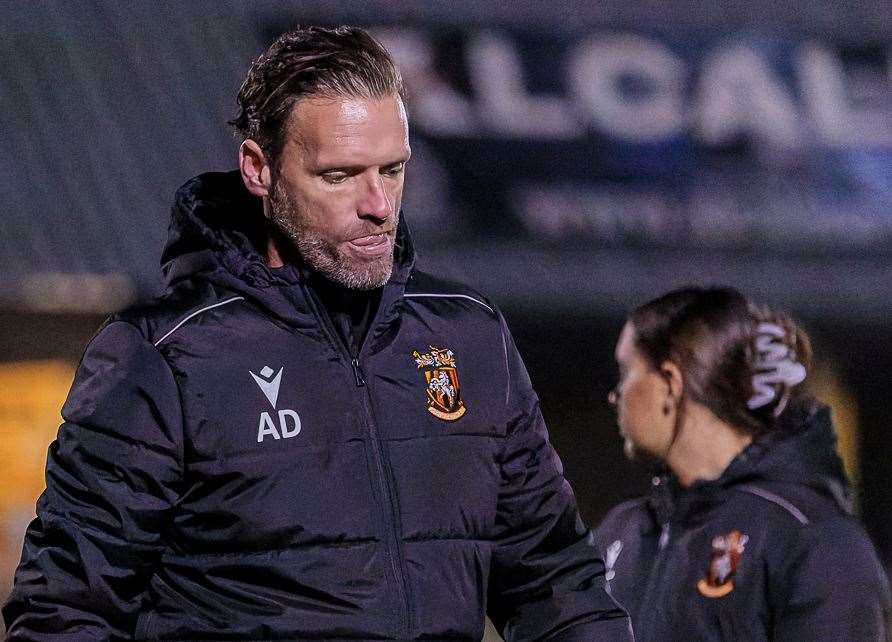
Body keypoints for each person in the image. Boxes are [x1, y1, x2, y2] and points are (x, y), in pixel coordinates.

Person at [3, 26, 631, 641]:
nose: (378, 204)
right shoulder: (165, 356)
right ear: (258, 168)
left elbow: (555, 581)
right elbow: (65, 609)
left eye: (392, 170)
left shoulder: (468, 334)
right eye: (339, 175)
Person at [595, 286, 890, 641]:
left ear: (670, 384)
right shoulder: (620, 533)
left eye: (627, 371)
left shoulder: (813, 539)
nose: (616, 395)